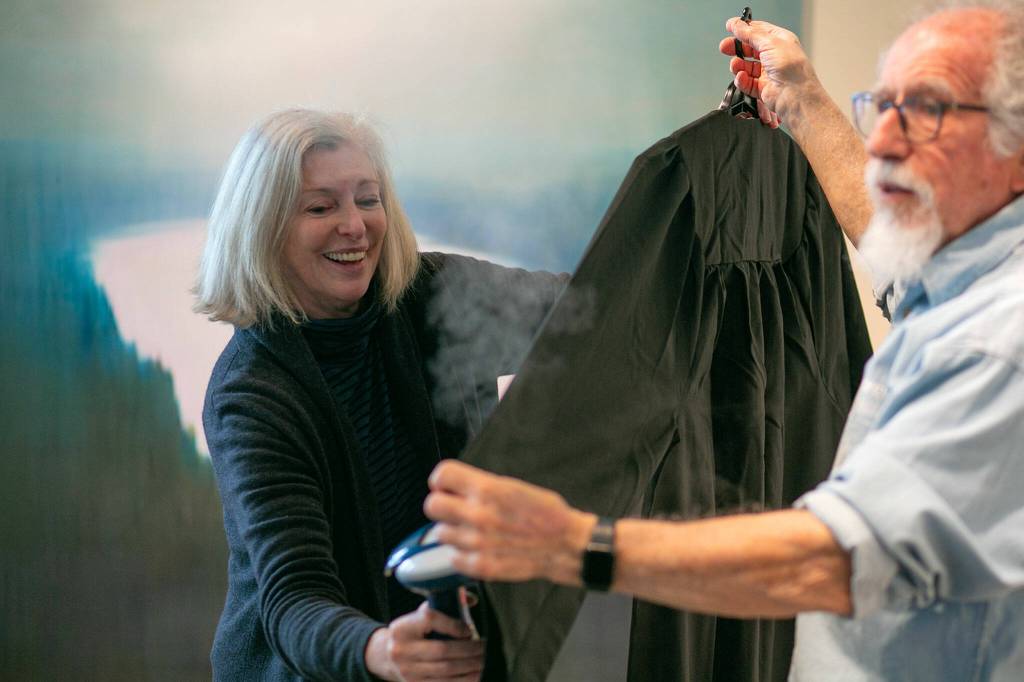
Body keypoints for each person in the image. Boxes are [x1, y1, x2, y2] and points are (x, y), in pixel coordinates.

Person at [424, 2, 1024, 679]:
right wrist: (803, 101)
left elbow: (837, 559)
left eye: (927, 110)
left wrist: (575, 546)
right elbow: (899, 262)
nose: (883, 140)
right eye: (882, 106)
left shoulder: (998, 345)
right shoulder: (968, 273)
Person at [194, 109, 565, 682]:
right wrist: (382, 650)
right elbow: (294, 599)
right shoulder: (250, 395)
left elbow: (584, 308)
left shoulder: (430, 297)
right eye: (320, 207)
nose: (355, 226)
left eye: (368, 199)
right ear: (264, 229)